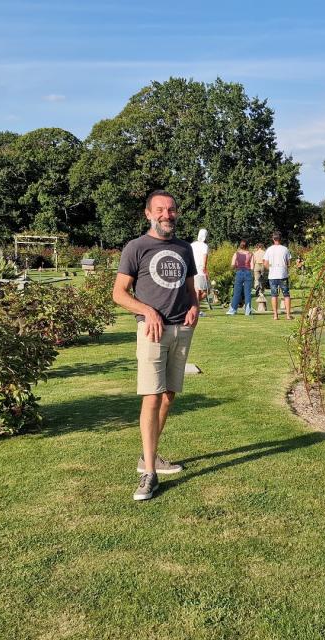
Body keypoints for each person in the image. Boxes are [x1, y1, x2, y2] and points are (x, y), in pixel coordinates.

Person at [112, 190, 200, 501]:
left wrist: (194, 307)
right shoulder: (136, 247)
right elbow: (119, 293)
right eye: (160, 210)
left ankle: (148, 456)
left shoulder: (183, 248)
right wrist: (147, 310)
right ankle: (149, 474)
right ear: (148, 214)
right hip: (151, 332)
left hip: (181, 330)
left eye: (172, 209)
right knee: (151, 397)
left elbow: (191, 289)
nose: (167, 214)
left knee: (168, 397)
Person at [263, 231, 292, 320]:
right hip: (283, 274)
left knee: (274, 295)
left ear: (273, 239)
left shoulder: (269, 249)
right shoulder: (285, 249)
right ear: (280, 239)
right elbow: (289, 263)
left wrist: (270, 268)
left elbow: (265, 263)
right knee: (286, 295)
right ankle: (287, 315)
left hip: (272, 275)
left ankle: (275, 315)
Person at [226, 239, 254, 316]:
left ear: (240, 245)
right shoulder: (251, 254)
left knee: (237, 293)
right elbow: (252, 267)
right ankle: (248, 311)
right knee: (247, 293)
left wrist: (235, 266)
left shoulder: (236, 254)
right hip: (248, 272)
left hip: (239, 272)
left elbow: (232, 265)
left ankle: (233, 310)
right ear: (247, 245)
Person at [190, 228, 209, 316]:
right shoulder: (205, 246)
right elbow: (205, 258)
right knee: (204, 291)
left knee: (197, 291)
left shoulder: (192, 245)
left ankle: (192, 306)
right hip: (200, 270)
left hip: (192, 269)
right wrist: (205, 269)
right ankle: (196, 310)